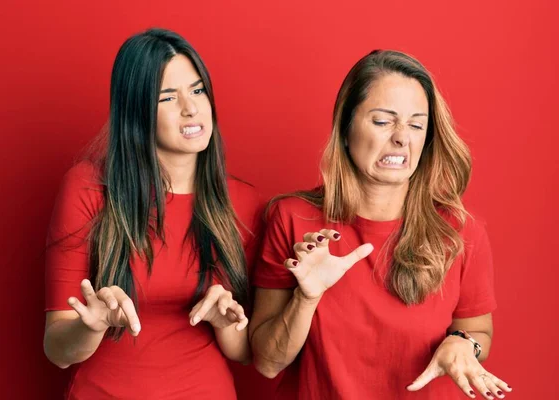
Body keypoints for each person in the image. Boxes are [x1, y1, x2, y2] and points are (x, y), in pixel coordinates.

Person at [250, 50, 512, 400]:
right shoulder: (293, 219)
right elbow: (267, 363)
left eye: (416, 125)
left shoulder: (459, 232)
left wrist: (462, 344)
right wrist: (306, 298)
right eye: (383, 121)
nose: (402, 138)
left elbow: (478, 330)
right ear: (346, 128)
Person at [43, 28, 263, 399]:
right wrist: (91, 327)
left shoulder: (243, 202)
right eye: (167, 97)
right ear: (137, 111)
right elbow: (57, 350)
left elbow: (242, 352)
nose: (191, 108)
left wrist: (225, 323)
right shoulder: (87, 189)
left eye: (197, 90)